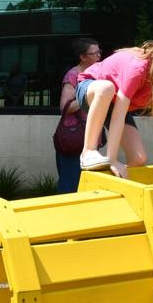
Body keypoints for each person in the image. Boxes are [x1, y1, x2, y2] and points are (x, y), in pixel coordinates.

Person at [75, 28, 153, 180]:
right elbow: (118, 115)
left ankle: (119, 188)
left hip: (115, 103)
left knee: (138, 159)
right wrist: (112, 159)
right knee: (106, 88)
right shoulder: (138, 68)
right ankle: (88, 151)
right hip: (92, 88)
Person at [55, 38, 101, 193]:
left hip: (90, 136)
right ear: (83, 57)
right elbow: (65, 107)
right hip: (74, 138)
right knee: (71, 184)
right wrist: (89, 95)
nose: (99, 56)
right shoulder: (73, 75)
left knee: (87, 183)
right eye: (95, 53)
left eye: (99, 52)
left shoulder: (97, 74)